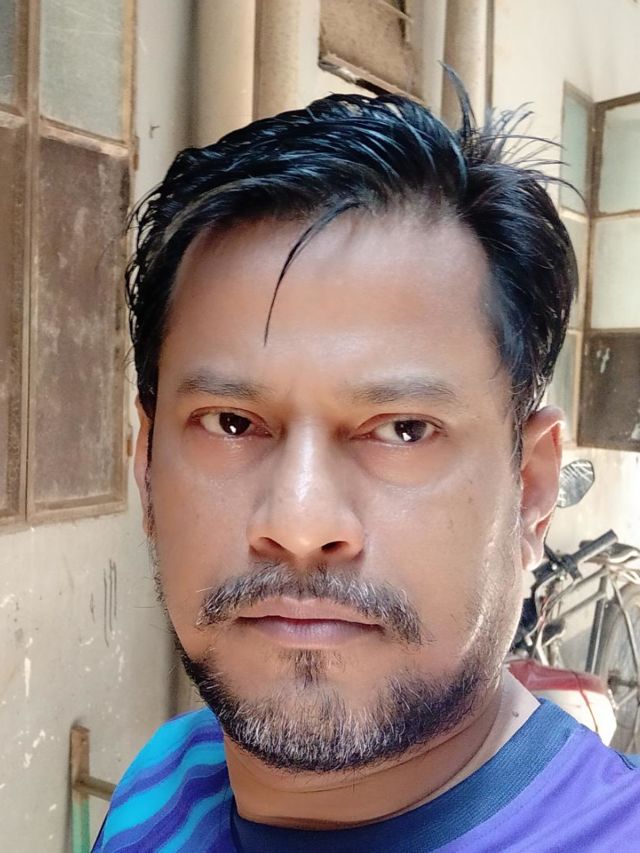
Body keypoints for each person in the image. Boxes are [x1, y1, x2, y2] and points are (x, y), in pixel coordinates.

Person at [93, 91, 640, 852]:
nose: (299, 524)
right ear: (147, 466)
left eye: (403, 430)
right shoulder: (158, 784)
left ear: (533, 489)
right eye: (232, 423)